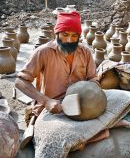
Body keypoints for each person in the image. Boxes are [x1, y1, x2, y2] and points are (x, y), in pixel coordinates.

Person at [15, 11, 111, 140]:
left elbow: (93, 78)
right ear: (57, 34)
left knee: (122, 100)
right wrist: (46, 101)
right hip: (53, 108)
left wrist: (91, 93)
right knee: (58, 137)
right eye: (65, 34)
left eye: (74, 36)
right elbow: (20, 81)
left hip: (82, 104)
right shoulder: (43, 52)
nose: (69, 40)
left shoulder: (85, 52)